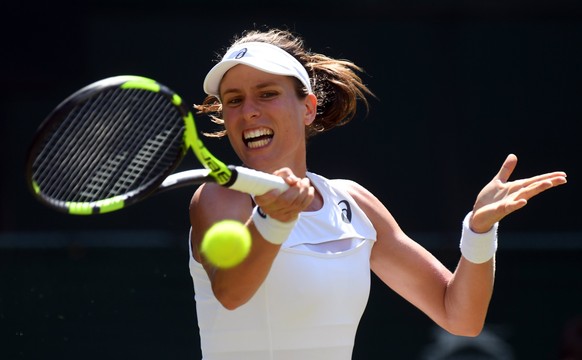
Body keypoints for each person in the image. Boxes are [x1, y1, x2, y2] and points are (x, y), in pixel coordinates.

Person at [187, 28, 567, 359]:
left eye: (266, 94)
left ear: (308, 108)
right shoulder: (220, 199)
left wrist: (479, 233)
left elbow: (460, 316)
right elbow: (231, 293)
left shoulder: (353, 204)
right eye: (234, 100)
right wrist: (274, 218)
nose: (248, 111)